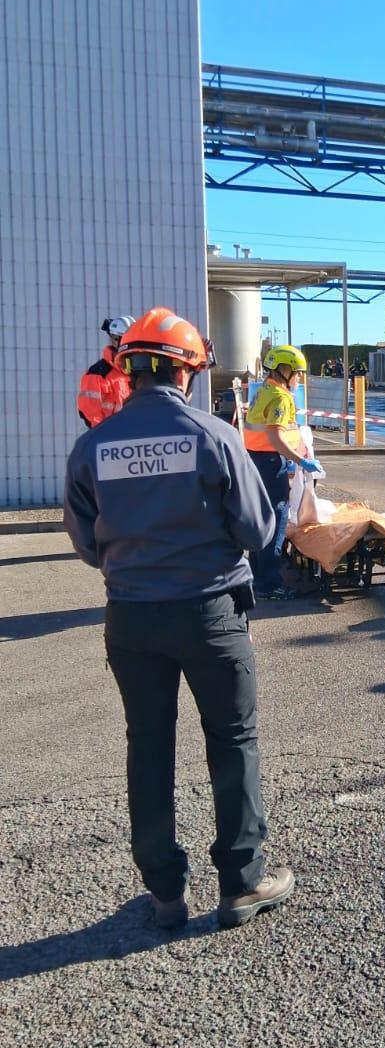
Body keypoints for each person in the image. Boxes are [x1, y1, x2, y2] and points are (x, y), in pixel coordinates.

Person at [62, 307, 294, 931]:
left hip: (132, 619)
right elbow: (256, 528)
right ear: (186, 371)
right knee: (232, 740)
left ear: (128, 369)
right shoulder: (213, 436)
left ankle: (165, 895)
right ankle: (242, 885)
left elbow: (86, 544)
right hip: (211, 612)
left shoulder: (92, 446)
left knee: (149, 745)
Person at [241, 344, 320, 601]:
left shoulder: (263, 391)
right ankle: (270, 584)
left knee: (263, 519)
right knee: (277, 520)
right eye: (296, 373)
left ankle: (258, 577)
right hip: (272, 463)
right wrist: (300, 460)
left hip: (256, 460)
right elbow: (275, 437)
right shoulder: (281, 397)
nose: (298, 378)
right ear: (284, 370)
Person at [77, 315, 134, 428]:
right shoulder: (97, 374)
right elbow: (90, 414)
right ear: (115, 339)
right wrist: (105, 435)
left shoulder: (137, 371)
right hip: (110, 439)